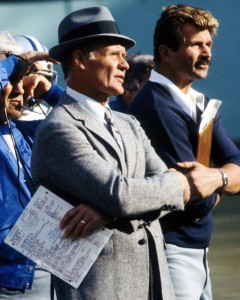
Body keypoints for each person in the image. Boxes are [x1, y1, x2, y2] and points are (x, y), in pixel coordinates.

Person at [30, 6, 195, 300]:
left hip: (155, 284)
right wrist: (170, 187)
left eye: (124, 55)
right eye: (113, 54)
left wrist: (108, 211)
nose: (125, 65)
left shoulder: (128, 122)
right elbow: (121, 194)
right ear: (80, 60)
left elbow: (170, 187)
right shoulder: (59, 129)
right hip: (103, 288)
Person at [128, 4, 240, 300]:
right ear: (166, 53)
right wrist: (224, 178)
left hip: (195, 248)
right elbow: (193, 199)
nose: (207, 53)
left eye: (209, 44)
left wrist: (216, 178)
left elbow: (235, 166)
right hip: (169, 250)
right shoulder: (156, 105)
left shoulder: (200, 103)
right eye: (196, 45)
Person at [0, 34, 62, 299]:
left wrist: (48, 90)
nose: (19, 90)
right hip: (8, 277)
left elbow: (85, 121)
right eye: (11, 81)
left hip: (40, 268)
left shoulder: (24, 130)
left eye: (22, 82)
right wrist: (17, 63)